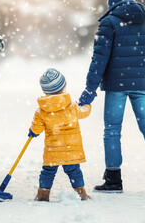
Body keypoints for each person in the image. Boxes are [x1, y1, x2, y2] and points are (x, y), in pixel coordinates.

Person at [78, 0, 145, 193]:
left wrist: (89, 90)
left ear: (112, 4)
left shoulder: (109, 23)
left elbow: (98, 61)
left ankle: (113, 180)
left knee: (112, 130)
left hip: (116, 85)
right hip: (142, 85)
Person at [29, 68, 92, 201]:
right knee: (74, 171)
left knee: (47, 173)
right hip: (71, 150)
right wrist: (87, 104)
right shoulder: (73, 106)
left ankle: (43, 194)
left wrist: (33, 131)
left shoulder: (41, 111)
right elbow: (84, 112)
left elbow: (37, 128)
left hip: (53, 151)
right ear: (64, 87)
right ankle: (81, 193)